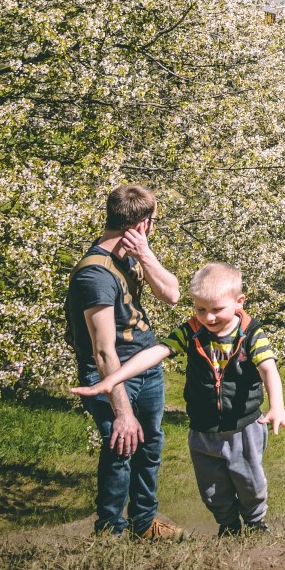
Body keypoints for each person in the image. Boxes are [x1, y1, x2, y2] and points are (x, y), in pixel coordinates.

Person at [74, 264, 285, 535]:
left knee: (249, 483)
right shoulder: (192, 331)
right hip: (203, 430)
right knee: (212, 489)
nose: (209, 317)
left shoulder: (250, 334)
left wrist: (277, 406)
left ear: (239, 302)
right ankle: (228, 526)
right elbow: (156, 352)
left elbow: (268, 369)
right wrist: (114, 378)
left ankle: (255, 523)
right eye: (201, 309)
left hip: (244, 427)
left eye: (217, 309)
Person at [63, 183, 182, 539]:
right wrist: (123, 412)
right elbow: (102, 351)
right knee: (121, 446)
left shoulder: (132, 254)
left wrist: (146, 255)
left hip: (146, 366)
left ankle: (144, 524)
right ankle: (110, 530)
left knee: (150, 446)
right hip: (113, 375)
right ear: (143, 223)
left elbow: (172, 295)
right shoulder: (95, 275)